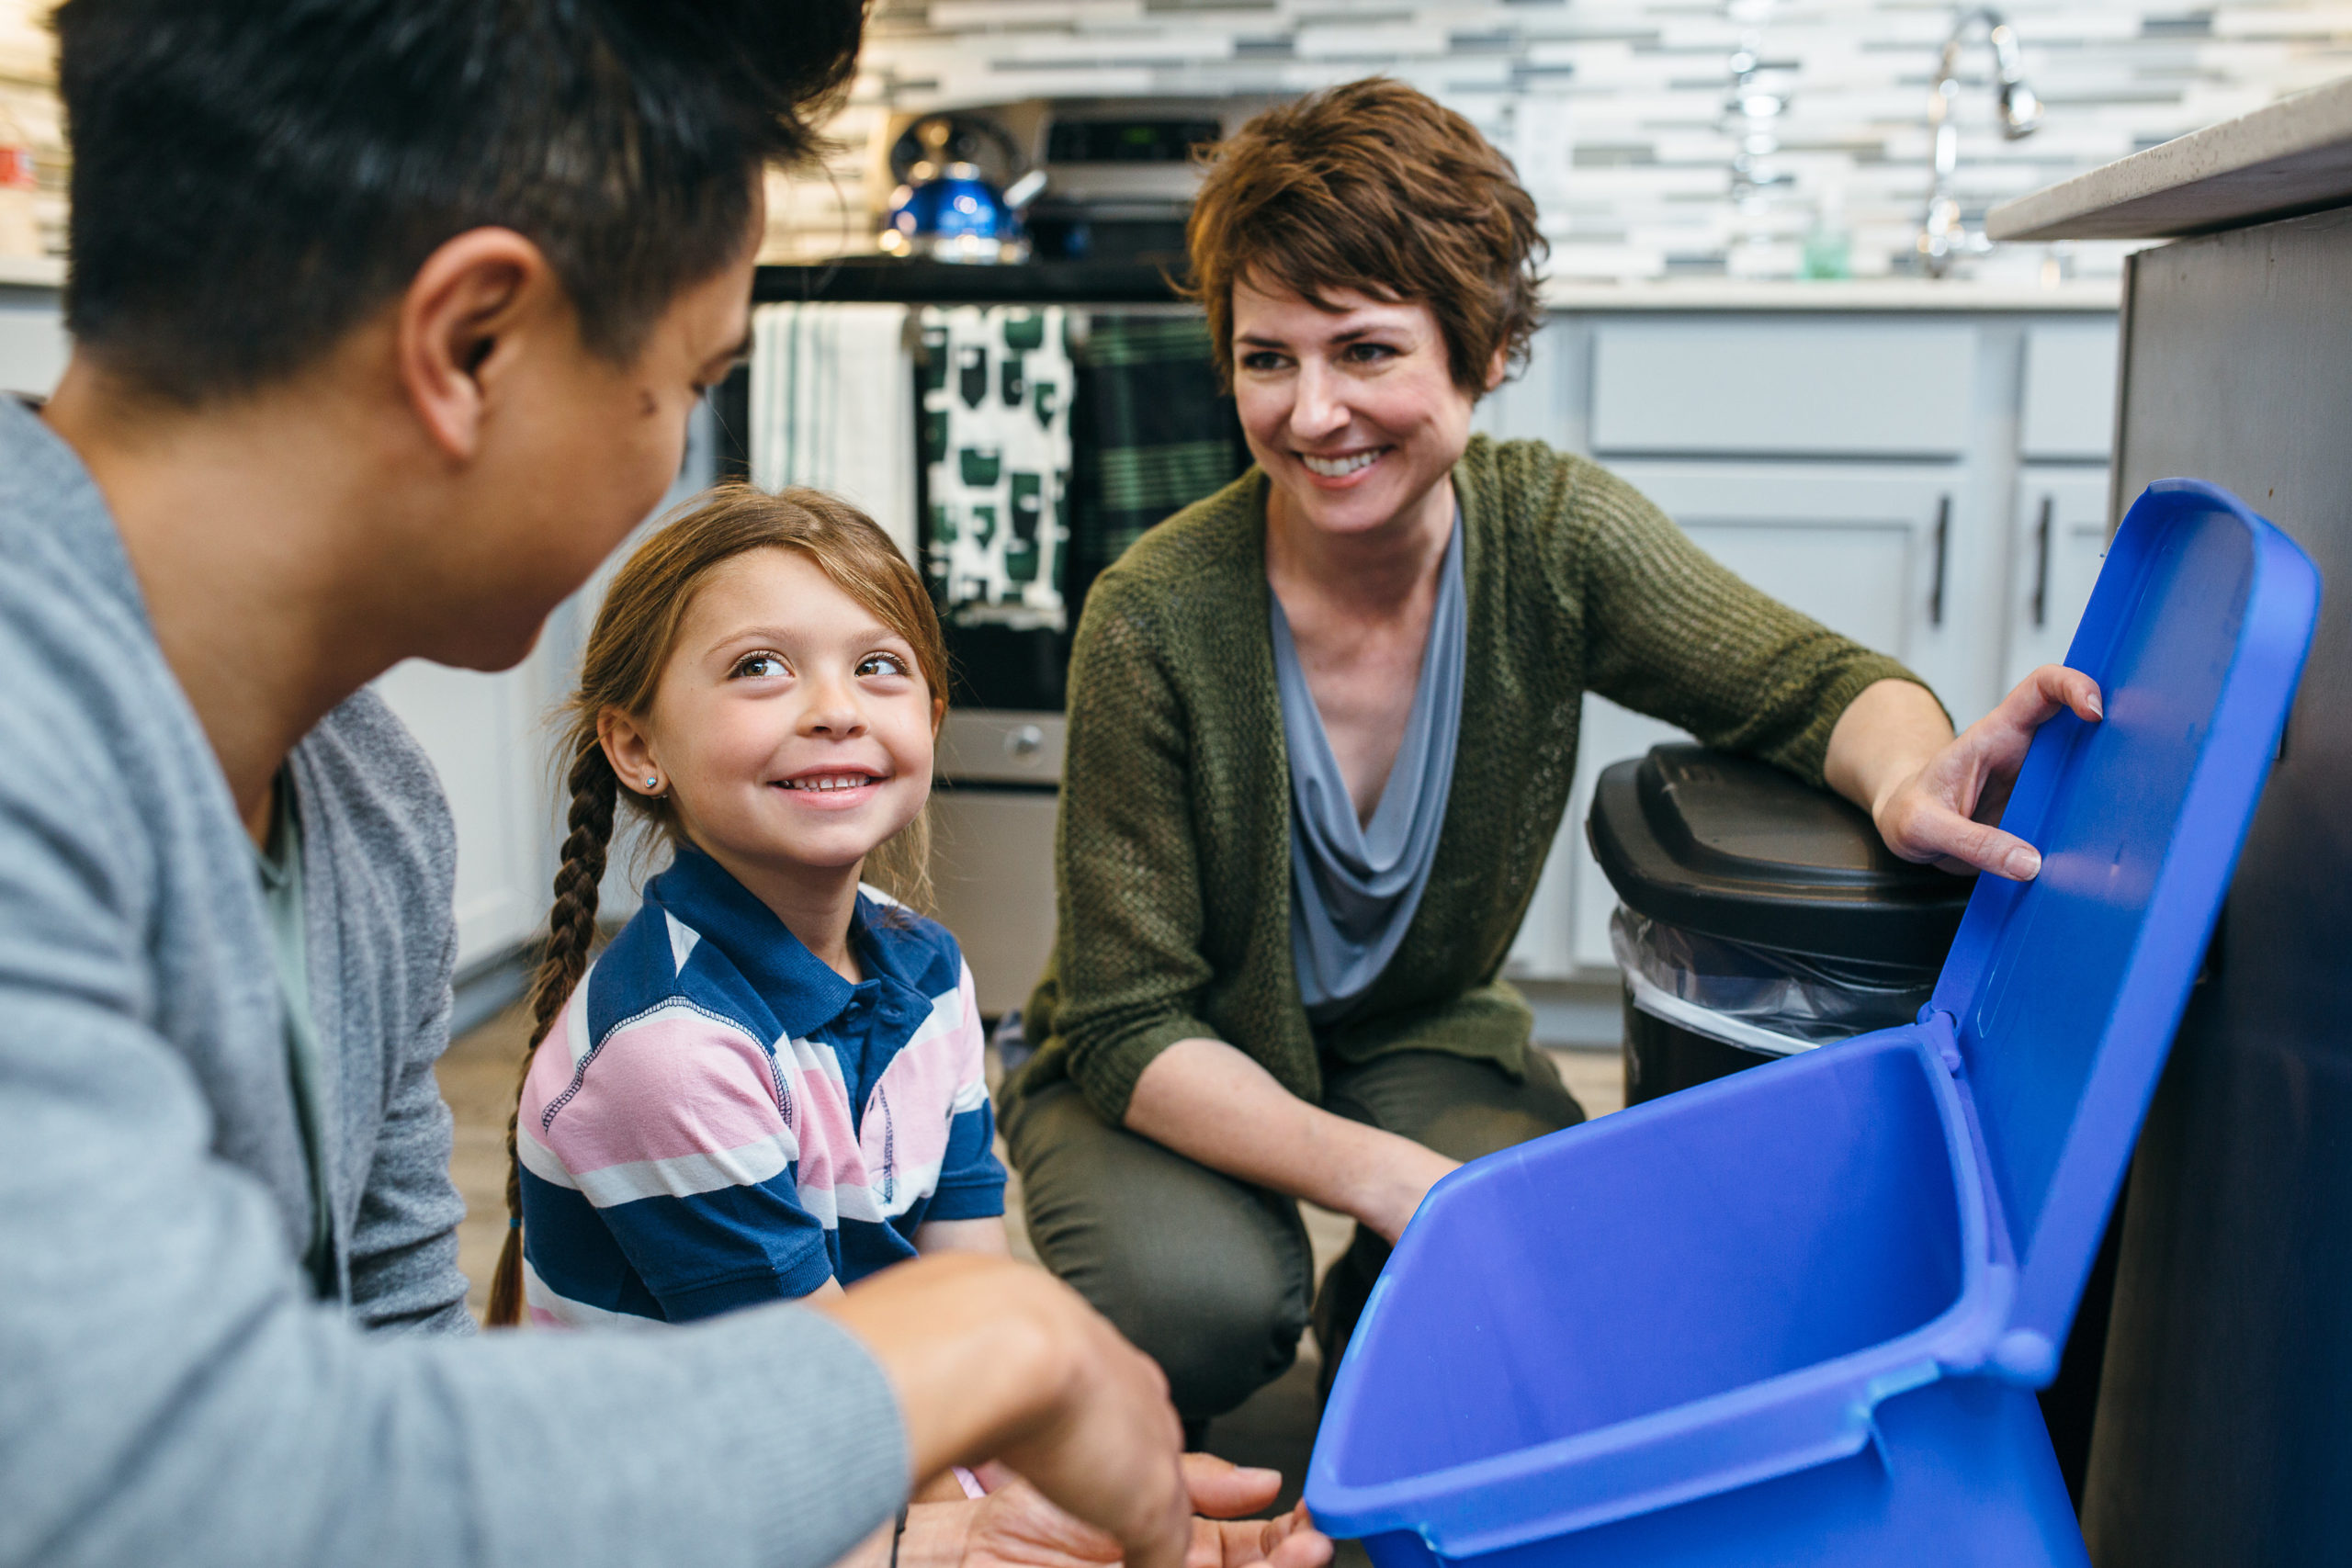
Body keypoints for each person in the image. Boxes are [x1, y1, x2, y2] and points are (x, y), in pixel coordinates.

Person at [0, 5, 1330, 1567]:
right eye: (690, 380)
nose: (672, 457)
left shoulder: (366, 804)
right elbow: (152, 1484)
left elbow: (402, 1372)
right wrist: (985, 1345)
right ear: (471, 344)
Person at [1001, 76, 2107, 1431]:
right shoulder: (1154, 614)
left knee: (1547, 1273)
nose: (1309, 412)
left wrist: (1905, 776)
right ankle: (1333, 1292)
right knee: (1205, 1302)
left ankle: (1382, 1326)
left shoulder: (1552, 540)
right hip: (1166, 1060)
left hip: (1419, 1032)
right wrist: (1397, 1179)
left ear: (1482, 348)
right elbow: (1127, 1021)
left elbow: (1814, 684)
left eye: (1364, 351)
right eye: (1266, 356)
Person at [497, 486, 1012, 1328]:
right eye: (759, 666)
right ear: (637, 745)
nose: (837, 711)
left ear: (932, 715)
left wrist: (1027, 1454)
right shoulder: (669, 1050)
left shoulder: (931, 968)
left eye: (879, 665)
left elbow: (974, 1300)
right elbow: (825, 1407)